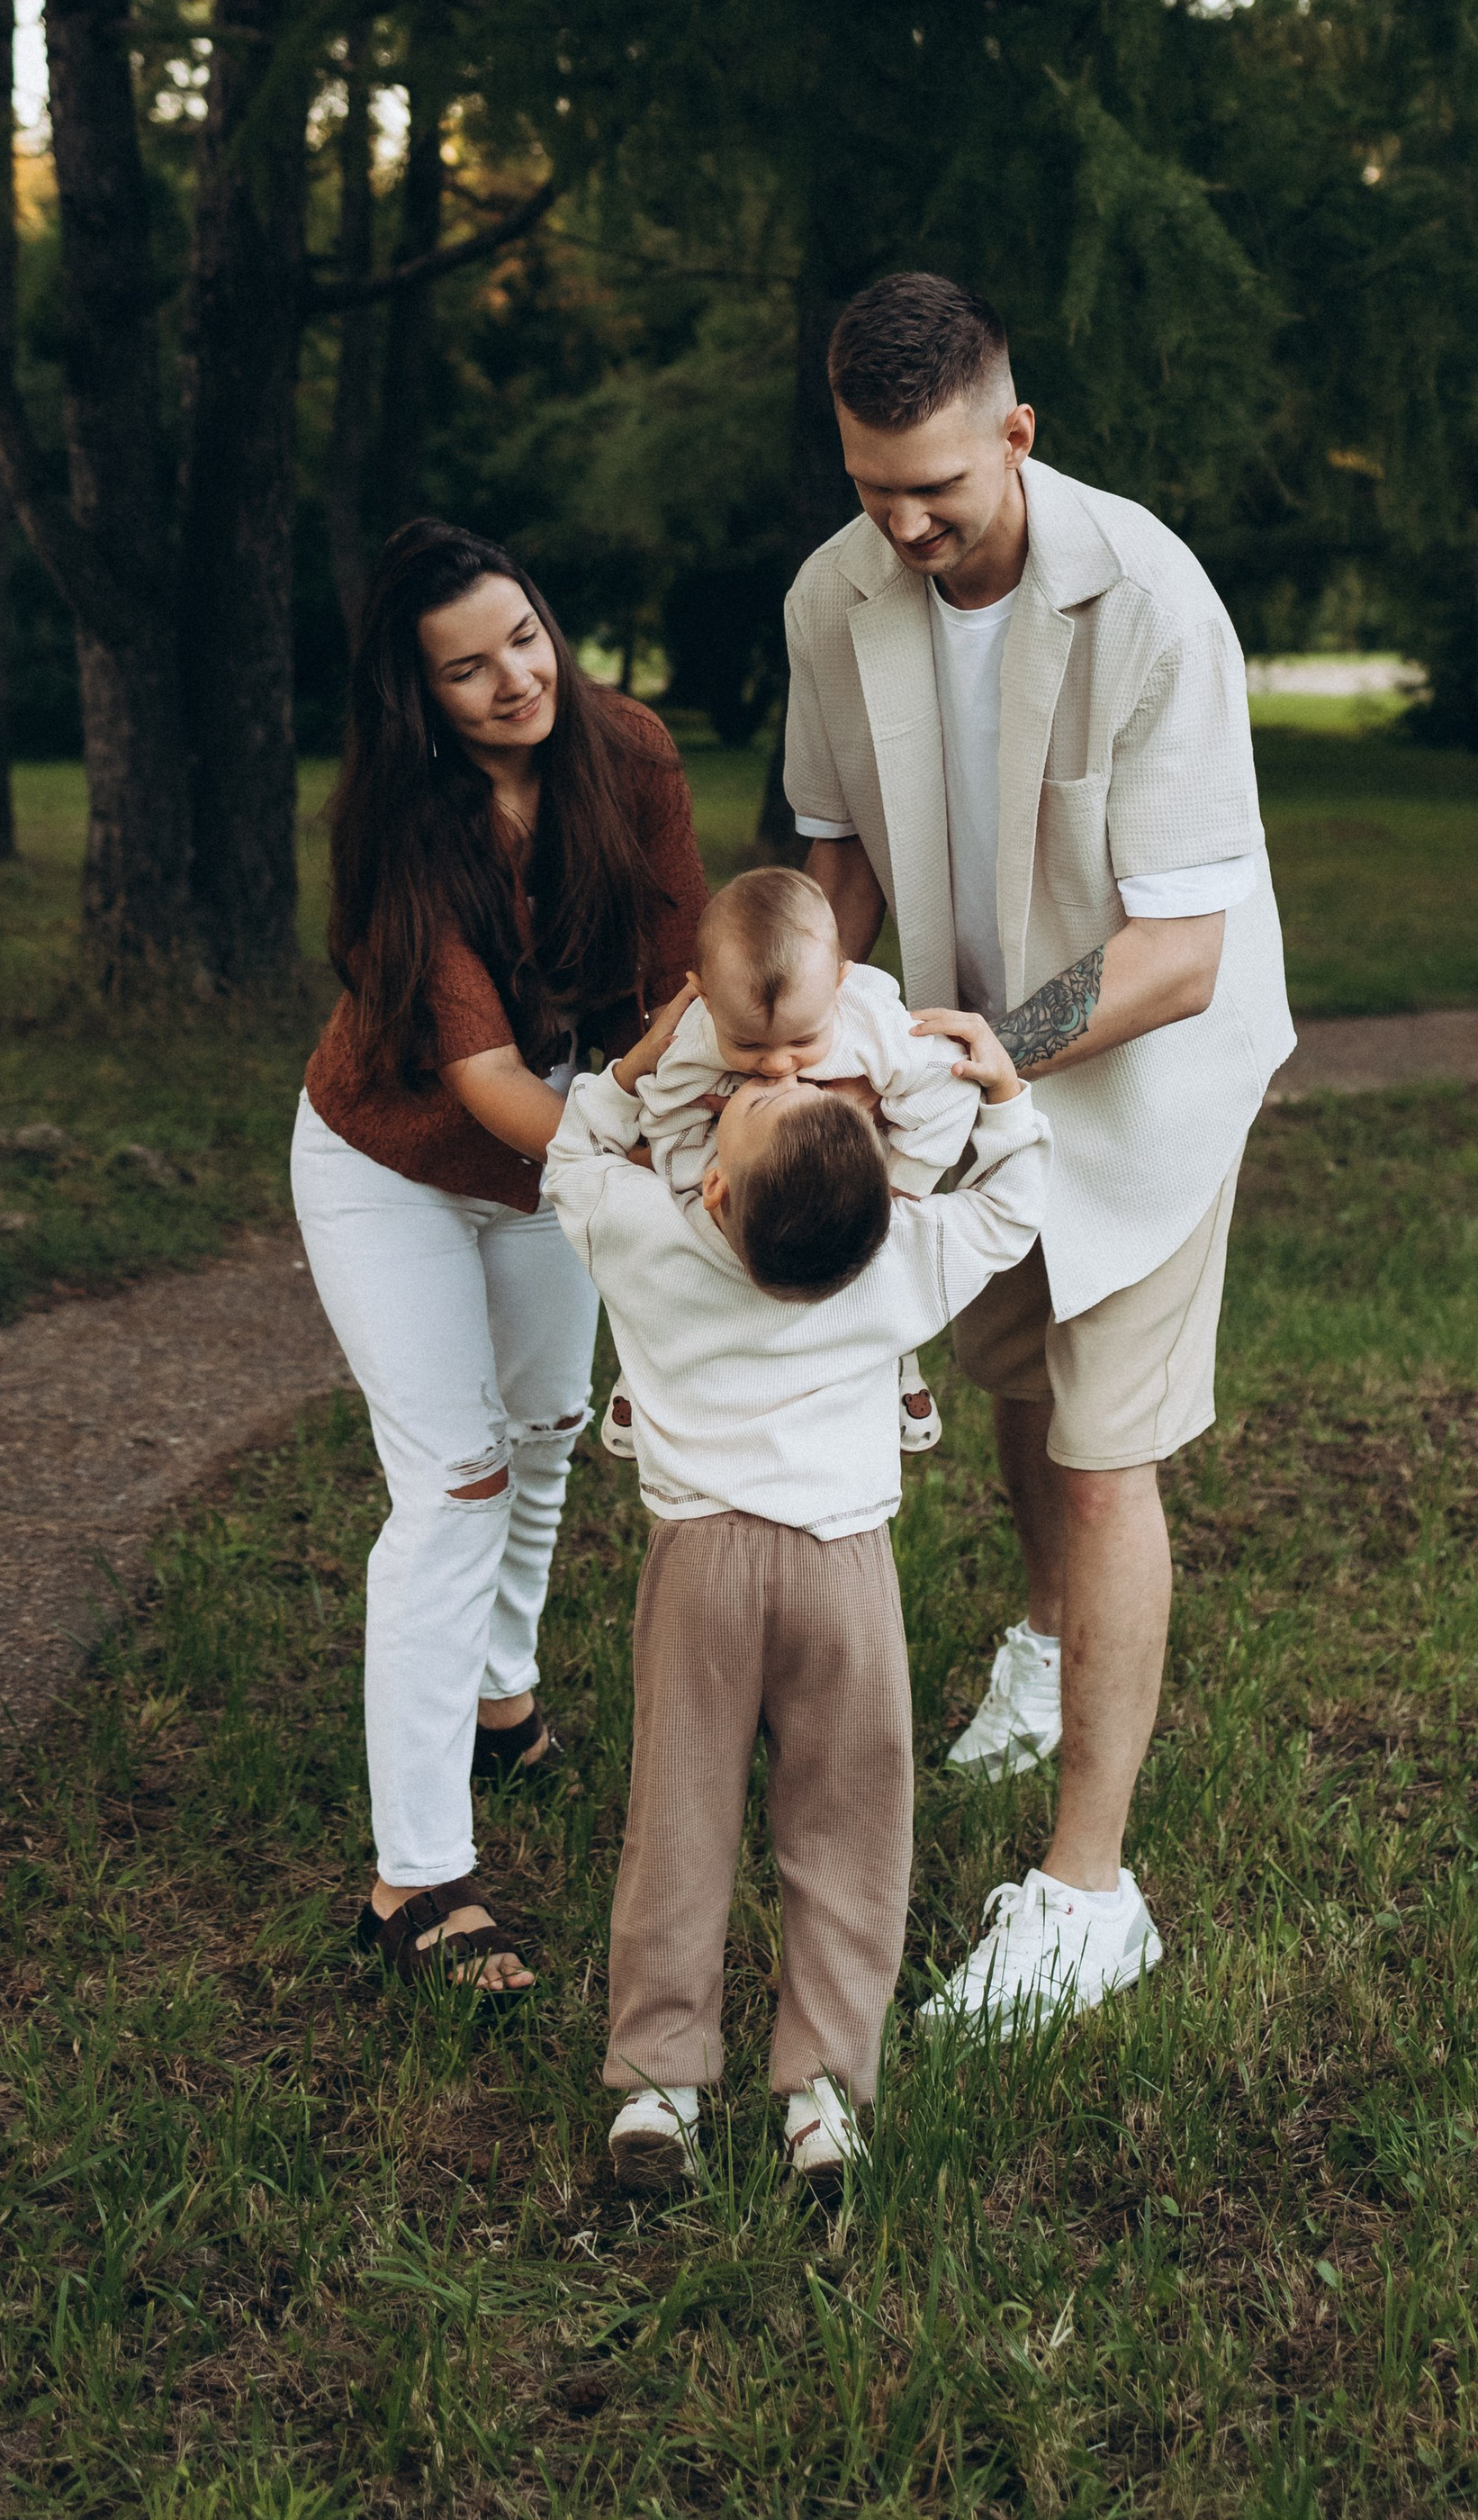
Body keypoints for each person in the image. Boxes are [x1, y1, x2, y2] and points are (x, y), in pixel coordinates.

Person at [781, 274, 1295, 2034]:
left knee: (1098, 1451)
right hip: (950, 1082)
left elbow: (1179, 950)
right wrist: (811, 1023)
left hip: (1137, 1084)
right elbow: (834, 849)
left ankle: (1089, 1895)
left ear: (1014, 429)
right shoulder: (828, 598)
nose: (906, 525)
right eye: (871, 488)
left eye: (937, 484)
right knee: (1009, 1384)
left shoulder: (1149, 598)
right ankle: (1039, 1644)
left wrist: (991, 1046)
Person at [542, 980, 1049, 2192]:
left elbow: (576, 1152)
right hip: (844, 1576)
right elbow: (1014, 1208)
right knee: (850, 1831)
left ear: (713, 1193)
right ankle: (823, 2098)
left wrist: (646, 1054)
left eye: (770, 1099)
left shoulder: (654, 1239)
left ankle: (658, 2091)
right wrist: (1008, 1091)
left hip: (701, 1570)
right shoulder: (899, 1257)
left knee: (678, 1820)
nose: (772, 1082)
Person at [293, 519, 707, 1993]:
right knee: (455, 1480)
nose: (513, 679)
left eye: (523, 637)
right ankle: (414, 1880)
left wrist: (718, 1113)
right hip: (394, 1164)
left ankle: (499, 1697)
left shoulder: (631, 755)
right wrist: (651, 1175)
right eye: (466, 671)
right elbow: (494, 1098)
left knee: (541, 1437)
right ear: (420, 699)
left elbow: (681, 986)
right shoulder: (409, 830)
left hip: (554, 1158)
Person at [607, 863, 979, 1455]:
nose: (779, 1065)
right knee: (690, 1262)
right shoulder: (693, 1042)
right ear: (702, 995)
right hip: (736, 1170)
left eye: (803, 1041)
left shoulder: (875, 1029)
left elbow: (950, 1091)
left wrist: (896, 1186)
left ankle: (893, 1358)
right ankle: (656, 1363)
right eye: (750, 1045)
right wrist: (692, 1196)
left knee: (869, 1262)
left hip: (850, 1177)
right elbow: (666, 1116)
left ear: (838, 984)